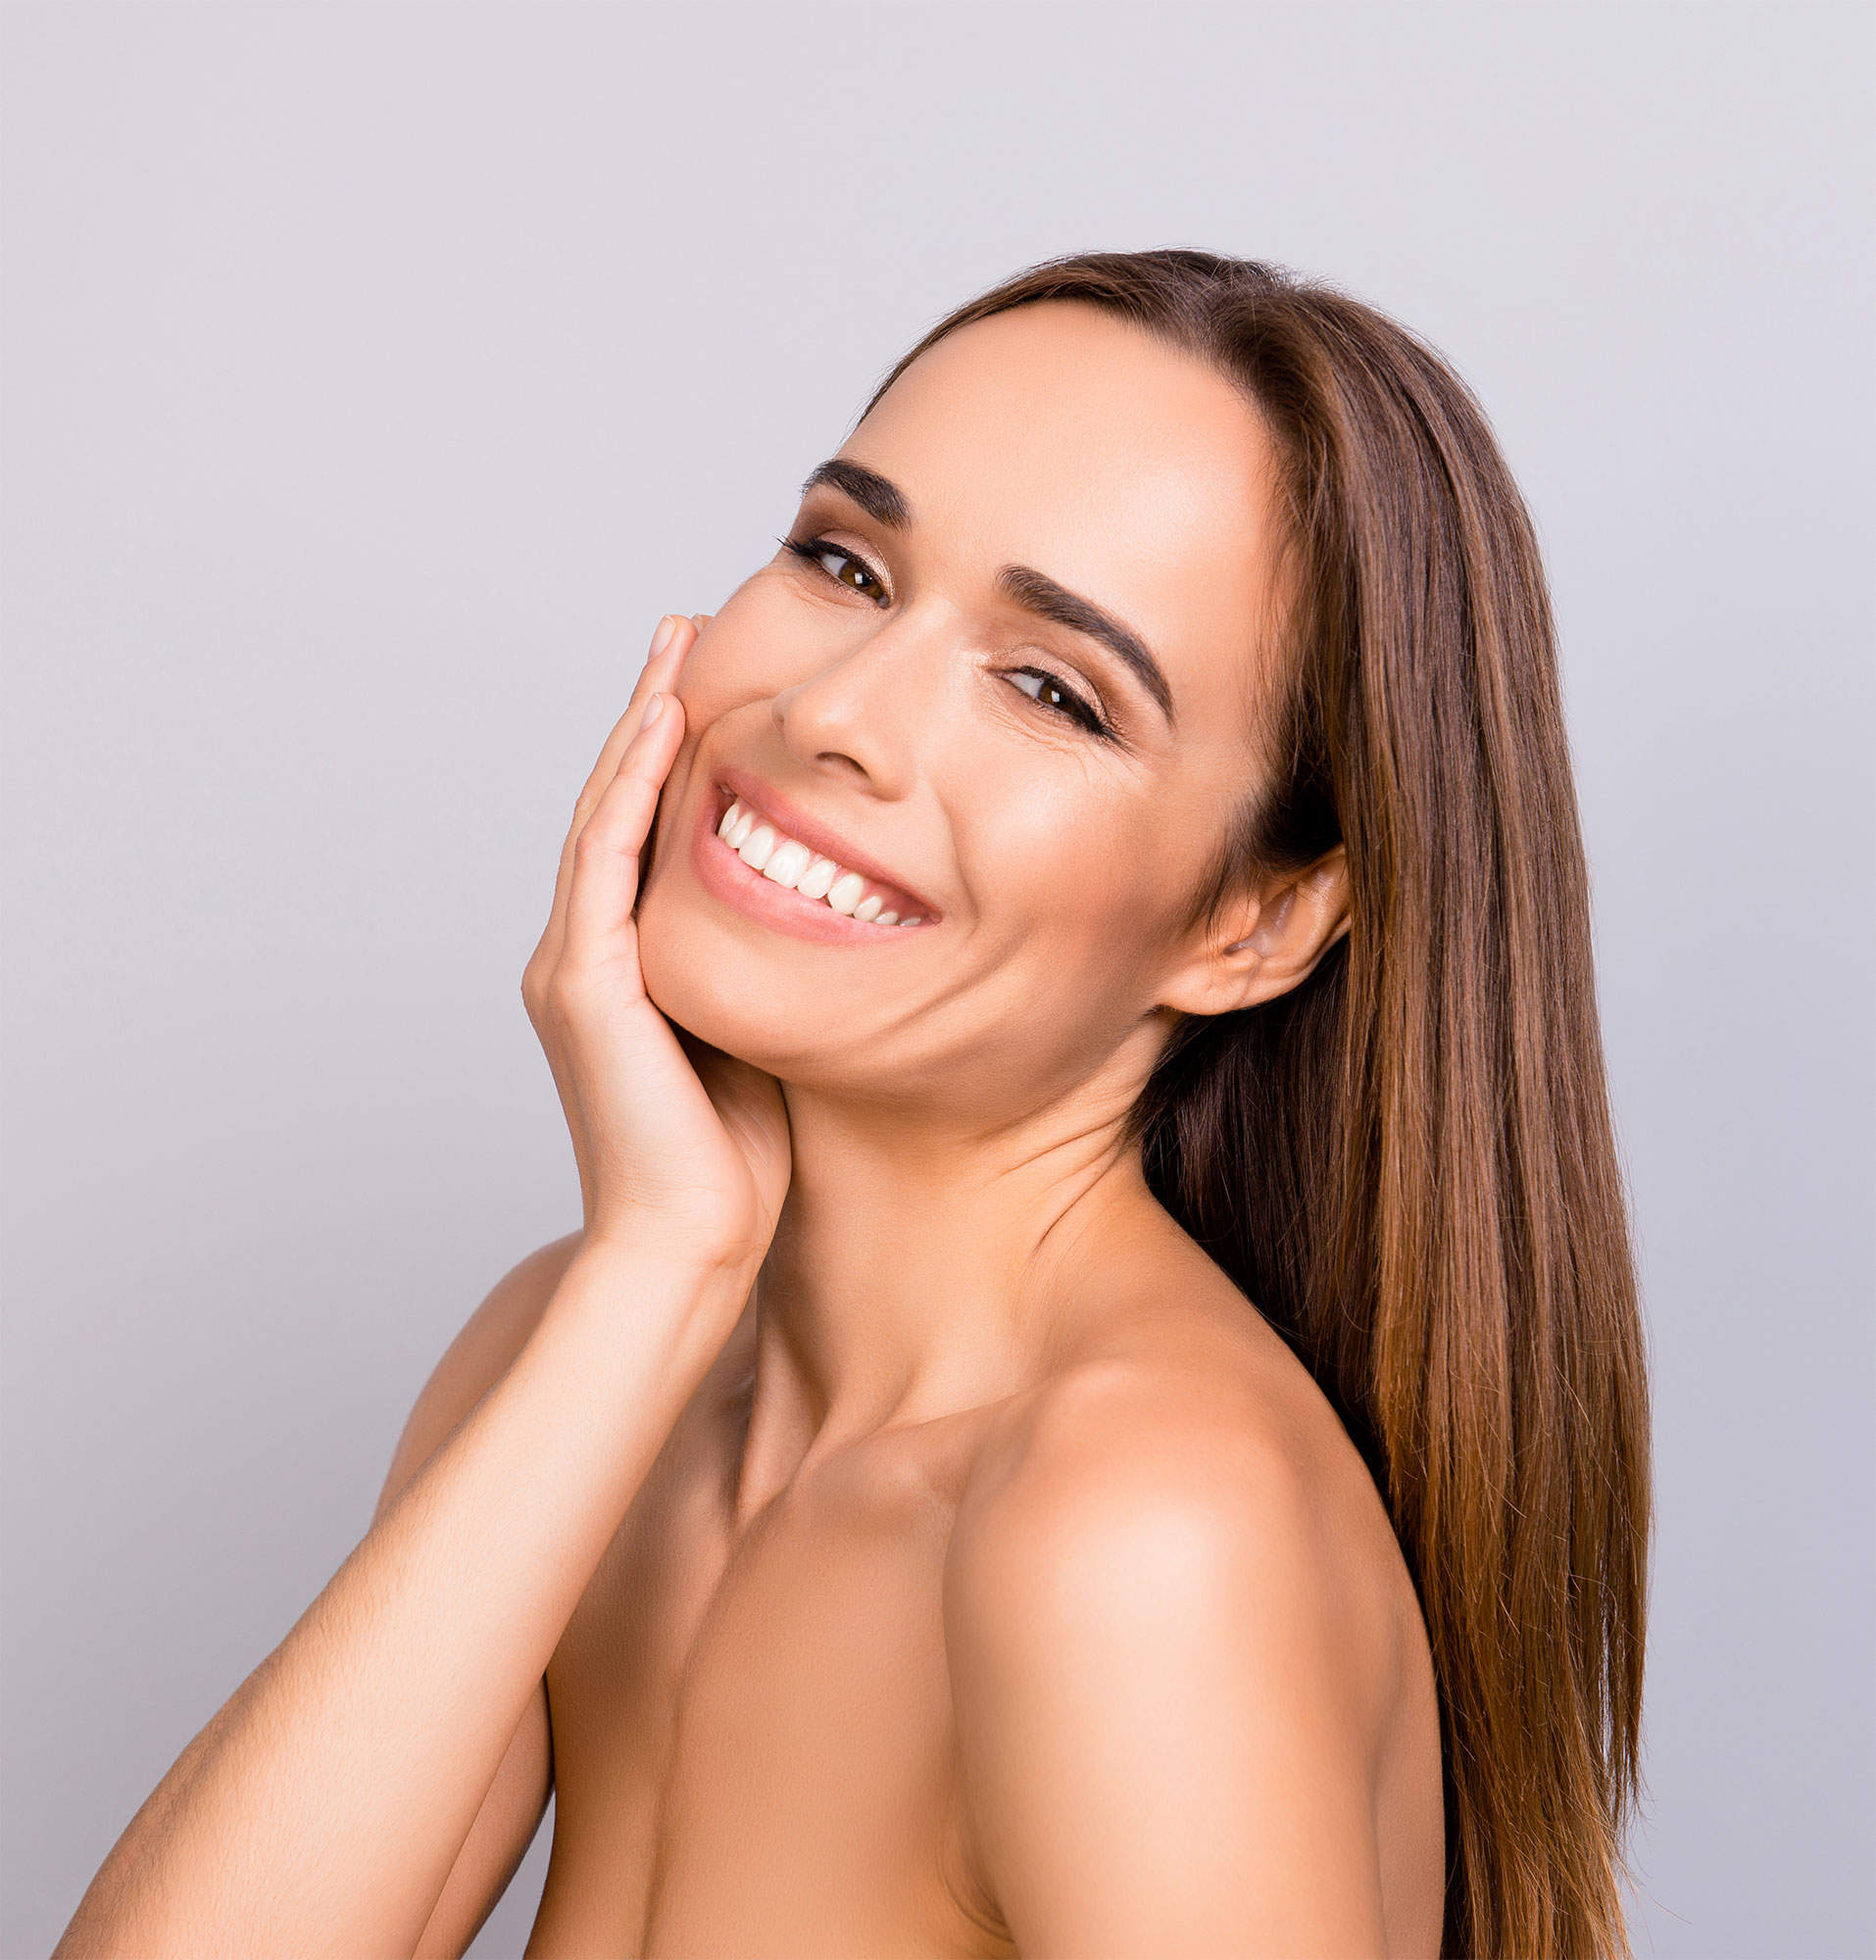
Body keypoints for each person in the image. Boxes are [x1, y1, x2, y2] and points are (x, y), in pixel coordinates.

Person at [55, 250, 1651, 1960]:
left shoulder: (1140, 1522)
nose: (831, 713)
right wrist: (649, 1276)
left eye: (1053, 690)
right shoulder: (591, 1361)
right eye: (843, 560)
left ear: (1250, 923)